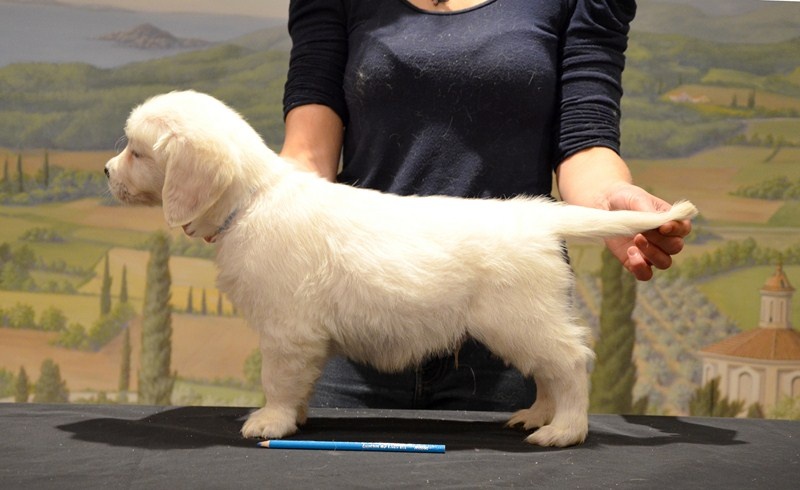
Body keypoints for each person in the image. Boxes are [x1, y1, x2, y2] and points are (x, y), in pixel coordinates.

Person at [277, 0, 692, 412]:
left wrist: (607, 201)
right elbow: (308, 154)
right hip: (356, 320)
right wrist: (262, 213)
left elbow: (584, 138)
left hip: (504, 324)